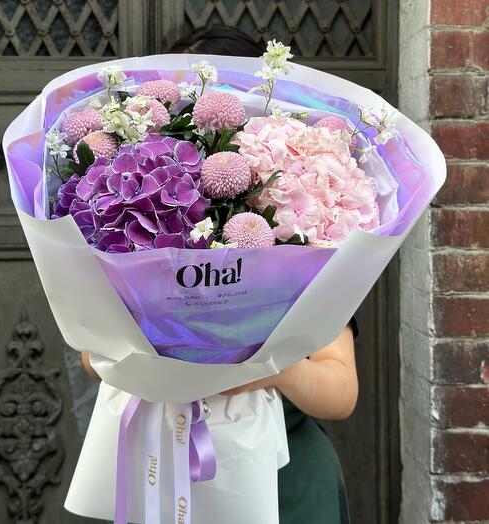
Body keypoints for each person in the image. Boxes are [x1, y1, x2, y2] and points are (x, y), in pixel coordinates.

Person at [82, 25, 359, 524]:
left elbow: (340, 393)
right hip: (158, 470)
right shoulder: (140, 226)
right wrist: (157, 358)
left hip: (287, 482)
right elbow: (92, 355)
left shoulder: (300, 235)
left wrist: (251, 363)